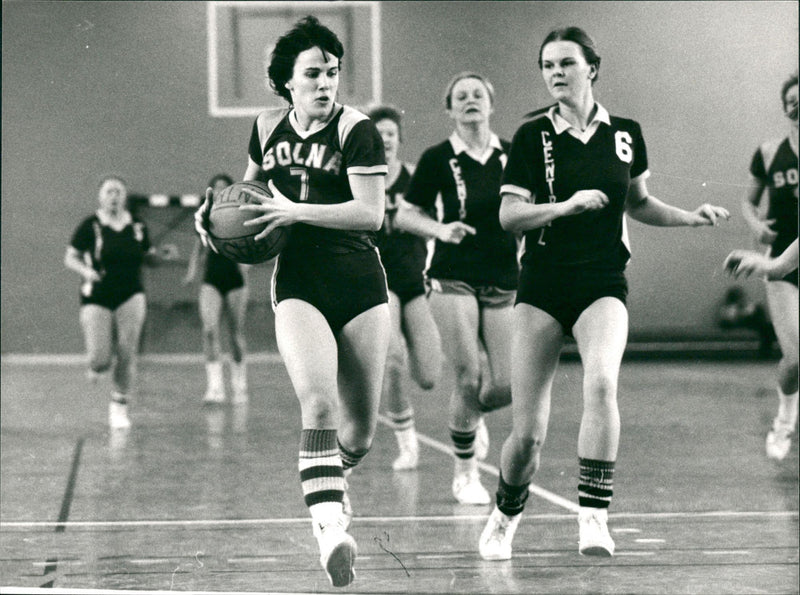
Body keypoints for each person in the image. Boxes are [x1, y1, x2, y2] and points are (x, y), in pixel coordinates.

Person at [477, 27, 731, 561]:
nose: (556, 73)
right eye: (547, 65)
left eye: (566, 62)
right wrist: (564, 206)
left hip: (602, 281)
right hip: (543, 282)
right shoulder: (531, 138)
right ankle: (505, 513)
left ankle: (594, 518)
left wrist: (689, 217)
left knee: (600, 384)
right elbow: (508, 216)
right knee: (528, 436)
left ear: (592, 67)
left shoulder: (626, 133)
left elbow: (637, 202)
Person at [195, 16, 389, 588]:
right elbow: (249, 202)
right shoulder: (264, 127)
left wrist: (295, 211)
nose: (326, 82)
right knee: (317, 402)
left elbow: (371, 213)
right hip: (300, 278)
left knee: (359, 433)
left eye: (332, 72)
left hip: (357, 275)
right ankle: (329, 529)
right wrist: (217, 224)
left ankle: (331, 474)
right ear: (287, 83)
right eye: (313, 74)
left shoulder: (358, 130)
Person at [395, 72, 518, 505]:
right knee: (468, 374)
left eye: (477, 94)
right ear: (450, 109)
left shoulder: (513, 154)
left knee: (507, 385)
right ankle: (465, 474)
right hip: (452, 274)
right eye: (460, 96)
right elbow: (405, 216)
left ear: (491, 103)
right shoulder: (436, 158)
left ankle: (470, 419)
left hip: (504, 275)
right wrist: (440, 230)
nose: (470, 101)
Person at [64, 175, 176, 430]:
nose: (113, 196)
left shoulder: (137, 225)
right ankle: (96, 364)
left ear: (124, 196)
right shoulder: (90, 225)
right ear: (100, 197)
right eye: (109, 191)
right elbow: (70, 257)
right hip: (97, 293)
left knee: (127, 351)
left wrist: (163, 256)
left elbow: (148, 256)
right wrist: (86, 271)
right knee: (100, 359)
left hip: (131, 293)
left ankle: (119, 407)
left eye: (118, 191)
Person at [366, 104, 442, 471]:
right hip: (380, 282)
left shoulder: (416, 177)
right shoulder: (362, 181)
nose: (386, 140)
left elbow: (440, 223)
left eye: (391, 134)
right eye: (379, 135)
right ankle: (406, 442)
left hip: (416, 279)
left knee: (428, 375)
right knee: (394, 360)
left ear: (399, 139)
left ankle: (473, 421)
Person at [728, 73, 798, 461]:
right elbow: (747, 202)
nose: (797, 106)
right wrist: (756, 226)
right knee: (796, 358)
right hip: (782, 263)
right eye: (792, 100)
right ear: (785, 106)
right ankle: (785, 423)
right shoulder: (771, 152)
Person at [184, 174, 251, 404]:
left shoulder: (240, 213)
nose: (221, 191)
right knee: (210, 330)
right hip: (211, 278)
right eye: (217, 188)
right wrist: (192, 272)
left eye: (225, 188)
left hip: (235, 280)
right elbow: (198, 248)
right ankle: (215, 388)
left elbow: (251, 245)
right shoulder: (205, 215)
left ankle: (239, 385)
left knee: (235, 334)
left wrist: (246, 265)